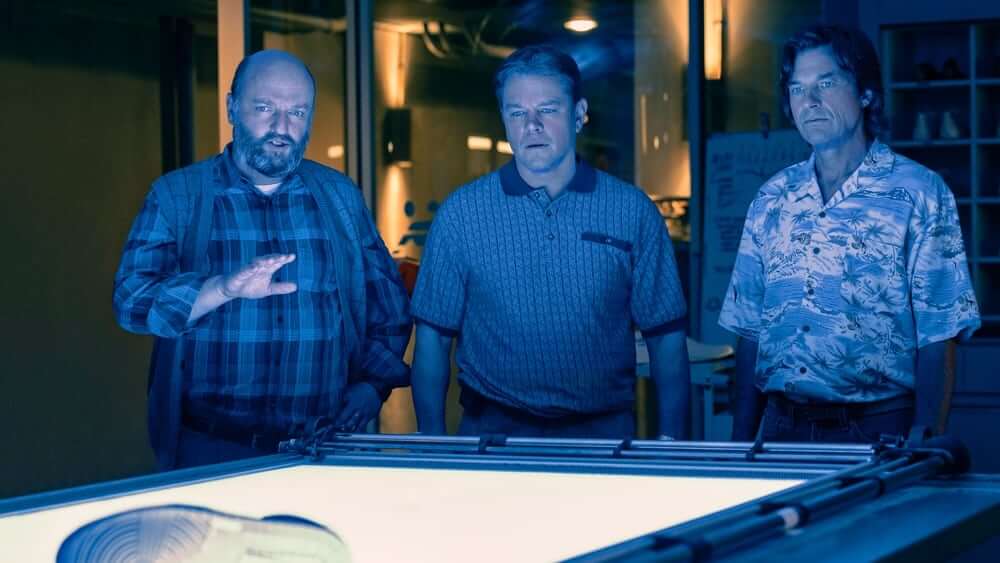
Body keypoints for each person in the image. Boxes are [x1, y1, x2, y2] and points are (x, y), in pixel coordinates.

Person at [114, 50, 411, 469]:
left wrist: (373, 385)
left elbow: (389, 307)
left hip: (323, 448)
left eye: (297, 112)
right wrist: (221, 288)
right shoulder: (177, 195)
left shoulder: (339, 196)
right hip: (211, 449)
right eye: (265, 108)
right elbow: (131, 302)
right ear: (232, 108)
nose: (281, 128)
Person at [410, 45, 690, 439]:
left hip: (603, 436)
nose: (532, 125)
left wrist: (671, 445)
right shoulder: (461, 215)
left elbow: (666, 339)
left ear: (579, 114)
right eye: (517, 112)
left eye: (548, 109)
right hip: (492, 435)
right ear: (504, 119)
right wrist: (432, 444)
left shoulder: (631, 211)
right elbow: (433, 339)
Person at [719, 25, 981, 443]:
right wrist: (740, 446)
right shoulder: (771, 198)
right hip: (781, 428)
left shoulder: (920, 193)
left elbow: (938, 335)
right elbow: (749, 329)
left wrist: (924, 442)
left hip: (879, 427)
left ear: (866, 94)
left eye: (826, 83)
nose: (810, 101)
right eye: (797, 88)